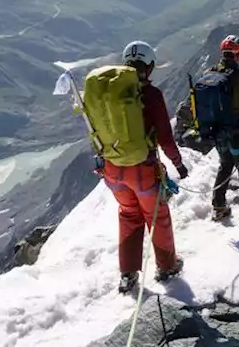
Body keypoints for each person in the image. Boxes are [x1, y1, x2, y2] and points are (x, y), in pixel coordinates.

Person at [89, 40, 189, 294]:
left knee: (128, 215)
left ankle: (128, 273)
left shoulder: (108, 94)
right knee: (157, 216)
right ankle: (167, 266)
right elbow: (165, 137)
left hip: (112, 168)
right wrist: (178, 163)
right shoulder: (151, 95)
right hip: (142, 170)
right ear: (150, 66)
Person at [195, 35, 239, 221]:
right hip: (236, 131)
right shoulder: (238, 78)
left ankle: (218, 206)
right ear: (238, 54)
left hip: (216, 131)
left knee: (225, 165)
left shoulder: (209, 72)